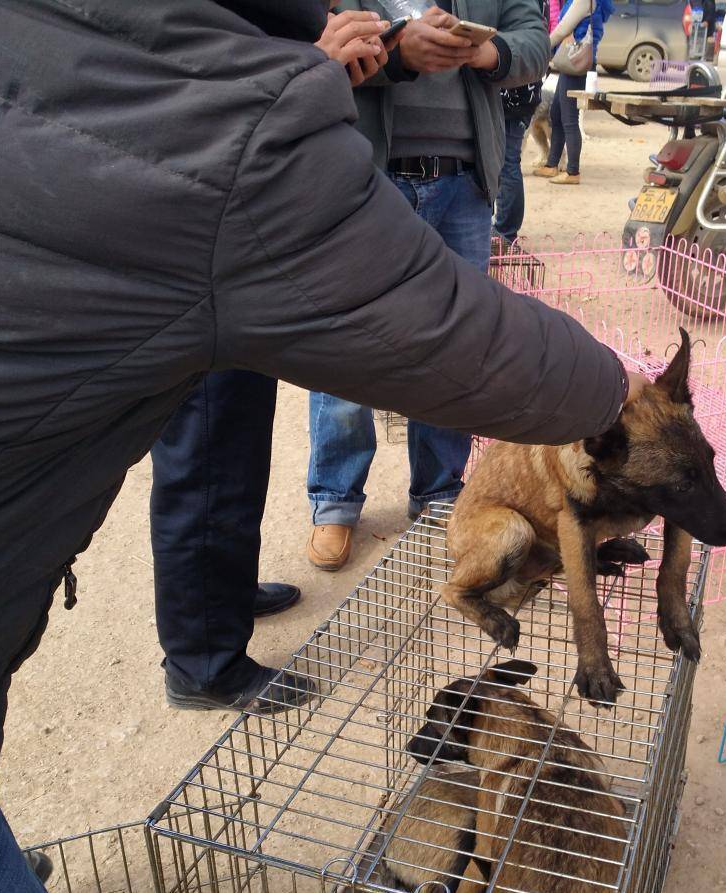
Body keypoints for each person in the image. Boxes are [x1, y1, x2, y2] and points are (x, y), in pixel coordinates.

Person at [0, 0, 645, 888]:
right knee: (208, 459)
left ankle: (207, 628)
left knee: (220, 461)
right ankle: (204, 660)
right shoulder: (230, 124)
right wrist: (629, 403)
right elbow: (457, 338)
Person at [148, 10, 402, 715]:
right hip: (198, 237)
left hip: (241, 237)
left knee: (236, 443)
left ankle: (220, 598)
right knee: (205, 452)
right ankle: (201, 663)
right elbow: (184, 87)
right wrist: (309, 66)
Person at [305, 0, 549, 573]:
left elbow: (534, 37)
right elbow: (314, 42)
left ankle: (439, 495)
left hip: (463, 181)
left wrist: (489, 52)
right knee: (347, 342)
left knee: (456, 348)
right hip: (367, 177)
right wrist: (397, 52)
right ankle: (336, 501)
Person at [534, 0, 612, 185]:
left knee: (569, 119)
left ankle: (572, 171)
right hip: (572, 61)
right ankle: (552, 164)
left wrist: (541, 47)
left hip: (576, 63)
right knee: (556, 114)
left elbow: (563, 28)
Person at [493, 1, 549, 247]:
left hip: (513, 94)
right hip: (521, 92)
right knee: (505, 163)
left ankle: (505, 231)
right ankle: (503, 228)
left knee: (506, 164)